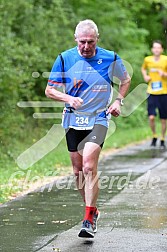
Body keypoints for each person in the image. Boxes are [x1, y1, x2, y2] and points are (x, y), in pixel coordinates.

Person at [45, 19, 130, 238]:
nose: (85, 46)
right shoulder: (65, 58)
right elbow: (50, 90)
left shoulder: (110, 58)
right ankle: (92, 210)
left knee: (89, 166)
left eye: (90, 42)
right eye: (82, 42)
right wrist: (68, 98)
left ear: (97, 39)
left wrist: (118, 101)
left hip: (98, 118)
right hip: (73, 119)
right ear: (75, 40)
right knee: (77, 171)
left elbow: (125, 78)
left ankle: (88, 219)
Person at [141, 40, 167, 149]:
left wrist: (164, 74)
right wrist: (145, 76)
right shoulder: (148, 60)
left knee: (163, 118)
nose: (156, 49)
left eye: (158, 48)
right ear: (152, 49)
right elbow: (143, 69)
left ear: (162, 49)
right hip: (151, 92)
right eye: (155, 47)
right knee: (151, 117)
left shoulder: (165, 59)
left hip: (164, 92)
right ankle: (154, 135)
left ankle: (162, 138)